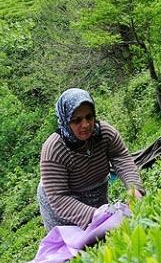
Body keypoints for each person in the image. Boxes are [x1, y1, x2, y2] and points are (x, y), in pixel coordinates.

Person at [37, 88, 144, 231]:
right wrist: (96, 215)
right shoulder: (54, 150)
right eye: (76, 120)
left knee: (106, 235)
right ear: (65, 121)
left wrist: (133, 189)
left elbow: (121, 158)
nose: (86, 125)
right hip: (61, 203)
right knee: (78, 247)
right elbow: (59, 198)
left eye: (89, 117)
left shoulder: (105, 134)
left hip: (95, 189)